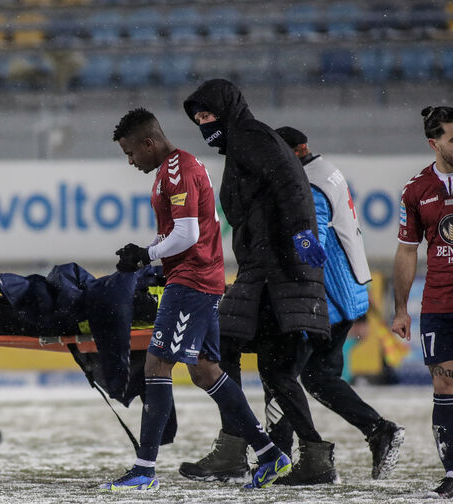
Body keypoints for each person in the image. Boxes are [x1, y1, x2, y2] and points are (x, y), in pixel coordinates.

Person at [98, 108, 290, 491]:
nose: (130, 160)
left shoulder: (177, 171)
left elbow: (187, 236)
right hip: (198, 278)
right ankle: (270, 455)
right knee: (205, 370)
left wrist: (147, 254)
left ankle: (144, 470)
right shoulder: (173, 170)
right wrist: (146, 251)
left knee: (157, 363)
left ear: (148, 143)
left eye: (130, 152)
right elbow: (180, 233)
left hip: (192, 281)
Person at [179, 79, 337, 485]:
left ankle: (234, 448)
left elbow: (289, 180)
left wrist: (303, 234)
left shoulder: (247, 135)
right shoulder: (243, 140)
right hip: (272, 270)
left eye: (208, 114)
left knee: (219, 346)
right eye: (198, 118)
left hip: (273, 271)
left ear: (228, 109)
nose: (203, 123)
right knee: (275, 370)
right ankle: (314, 458)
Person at [271, 126, 404, 481]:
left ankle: (280, 457)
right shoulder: (326, 169)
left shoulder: (309, 186)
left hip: (323, 297)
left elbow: (310, 245)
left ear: (297, 151)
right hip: (347, 289)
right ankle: (378, 430)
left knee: (281, 374)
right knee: (318, 377)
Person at [391, 106, 453, 499]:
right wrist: (400, 309)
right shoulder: (416, 190)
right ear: (434, 143)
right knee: (445, 382)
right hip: (439, 302)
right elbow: (406, 251)